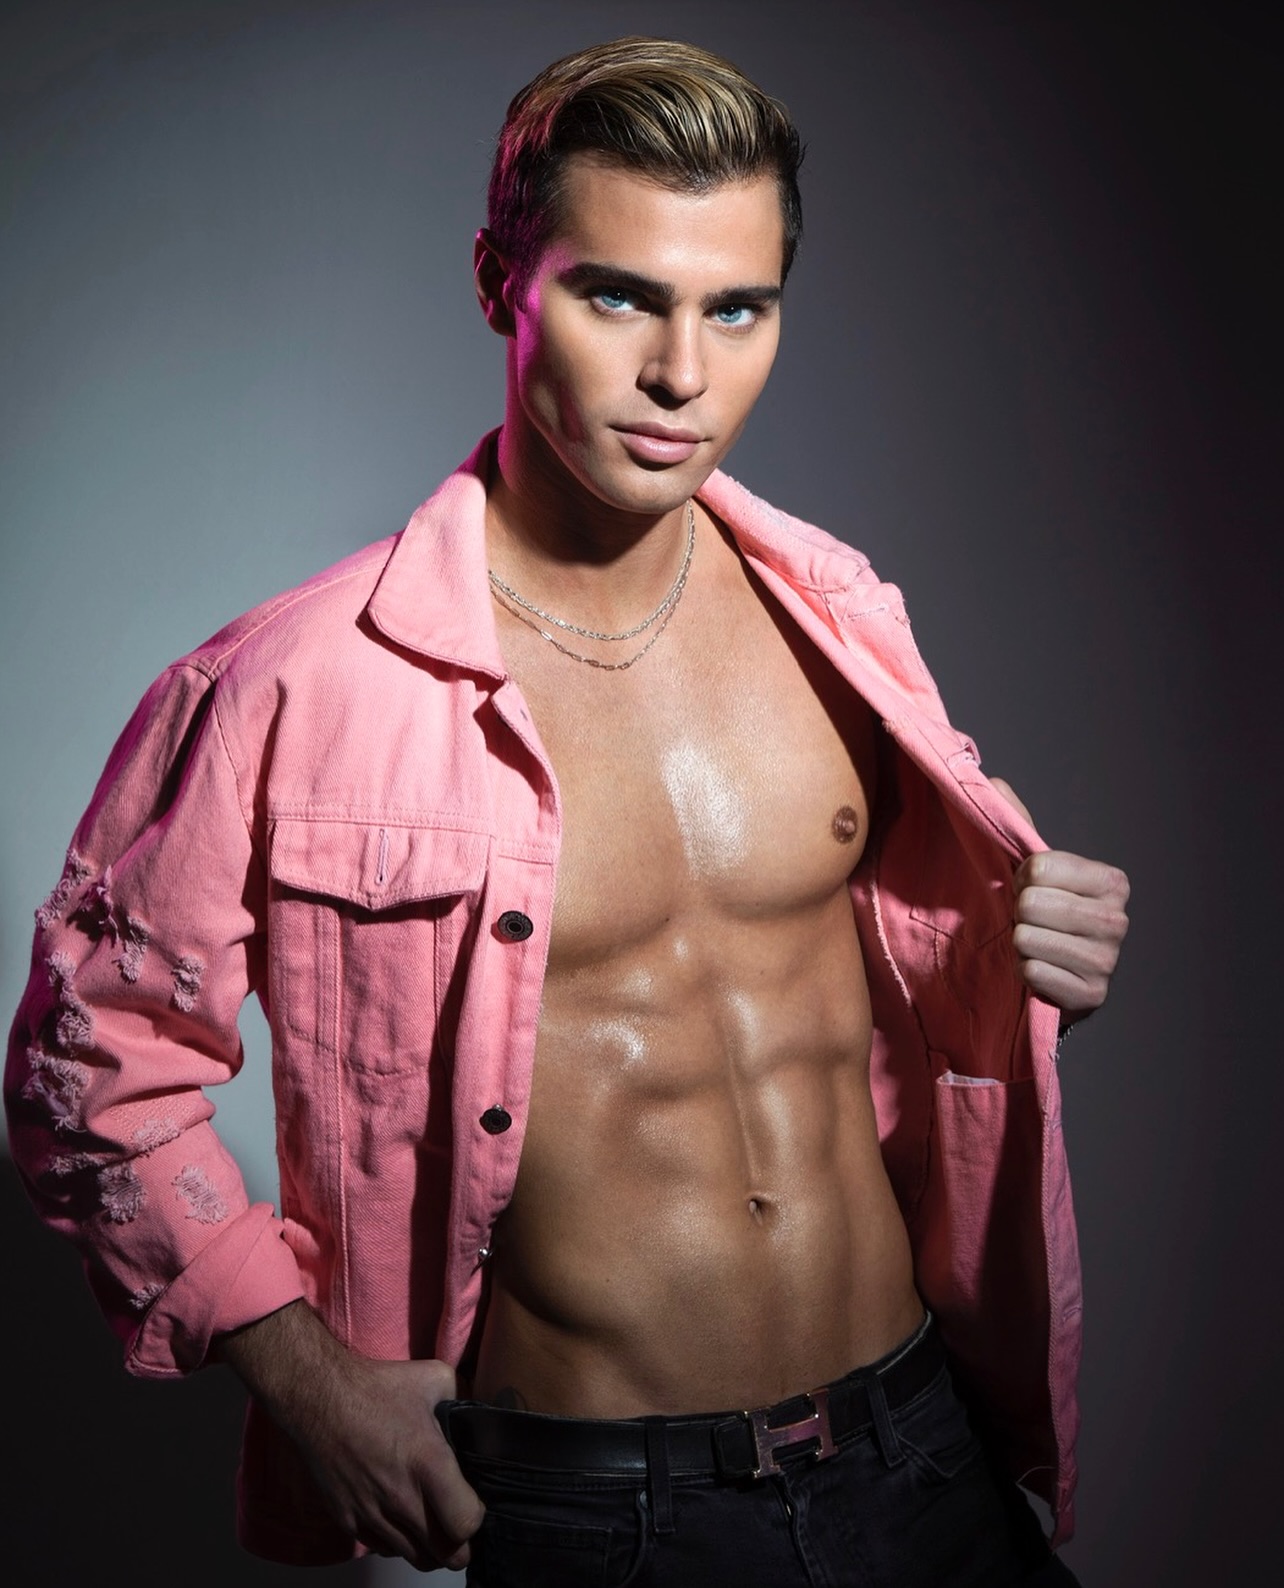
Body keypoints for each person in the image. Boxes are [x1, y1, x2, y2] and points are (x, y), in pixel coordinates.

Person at [6, 36, 1129, 1587]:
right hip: (609, 1513)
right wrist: (303, 1373)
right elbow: (89, 1067)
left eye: (737, 309)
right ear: (500, 282)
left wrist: (1034, 959)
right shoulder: (287, 687)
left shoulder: (840, 618)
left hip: (920, 1440)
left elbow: (901, 991)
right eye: (620, 298)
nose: (684, 374)